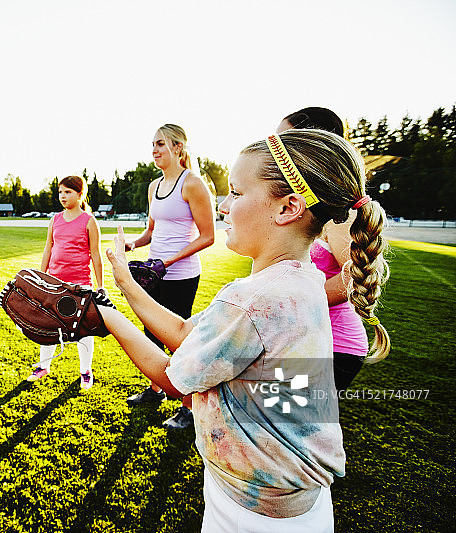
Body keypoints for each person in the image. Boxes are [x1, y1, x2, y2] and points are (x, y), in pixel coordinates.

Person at [98, 128, 390, 529]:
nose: (222, 206)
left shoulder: (252, 300)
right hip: (301, 502)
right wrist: (126, 284)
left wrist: (103, 314)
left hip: (252, 513)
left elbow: (172, 378)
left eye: (235, 193)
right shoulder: (303, 278)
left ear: (288, 207)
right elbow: (184, 332)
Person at [277, 107, 391, 389]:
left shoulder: (339, 212)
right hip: (301, 341)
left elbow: (354, 276)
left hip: (333, 346)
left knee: (284, 414)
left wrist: (286, 303)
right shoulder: (301, 202)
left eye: (284, 140)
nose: (276, 150)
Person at [123, 124, 215, 429]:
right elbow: (151, 231)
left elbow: (208, 236)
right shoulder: (154, 187)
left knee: (179, 341)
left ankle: (189, 406)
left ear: (178, 147)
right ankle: (156, 390)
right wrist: (132, 244)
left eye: (161, 143)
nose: (154, 150)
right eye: (153, 144)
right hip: (155, 273)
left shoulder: (193, 184)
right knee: (152, 334)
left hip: (181, 275)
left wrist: (169, 261)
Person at [26, 175, 104, 390]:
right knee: (49, 325)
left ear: (80, 194)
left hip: (80, 284)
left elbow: (96, 255)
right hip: (54, 282)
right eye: (60, 192)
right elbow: (48, 249)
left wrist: (100, 286)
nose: (62, 196)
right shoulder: (55, 219)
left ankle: (86, 371)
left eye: (68, 192)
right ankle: (43, 366)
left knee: (83, 330)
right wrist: (40, 277)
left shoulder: (89, 221)